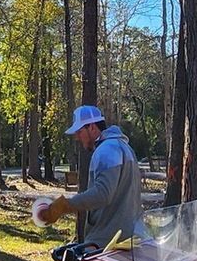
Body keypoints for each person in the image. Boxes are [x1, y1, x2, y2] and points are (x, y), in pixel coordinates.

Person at [38, 106, 142, 250]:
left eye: (79, 131)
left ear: (92, 127)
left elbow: (103, 194)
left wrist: (65, 205)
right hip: (130, 236)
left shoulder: (106, 150)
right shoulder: (124, 147)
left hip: (108, 242)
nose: (76, 137)